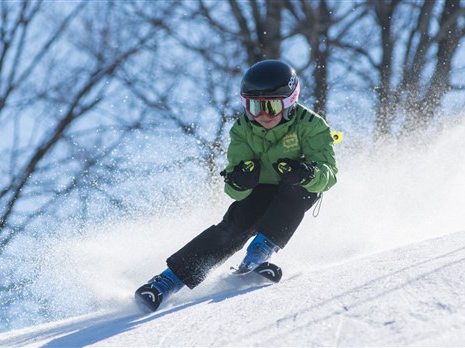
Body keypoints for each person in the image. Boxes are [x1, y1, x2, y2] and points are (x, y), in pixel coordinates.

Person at [134, 60, 338, 312]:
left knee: (299, 192)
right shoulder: (242, 129)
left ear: (289, 102)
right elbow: (233, 188)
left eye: (271, 106)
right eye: (253, 107)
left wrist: (306, 173)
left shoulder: (311, 125)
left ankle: (258, 254)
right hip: (260, 189)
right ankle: (166, 282)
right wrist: (240, 180)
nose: (262, 115)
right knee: (235, 225)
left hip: (296, 187)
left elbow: (329, 175)